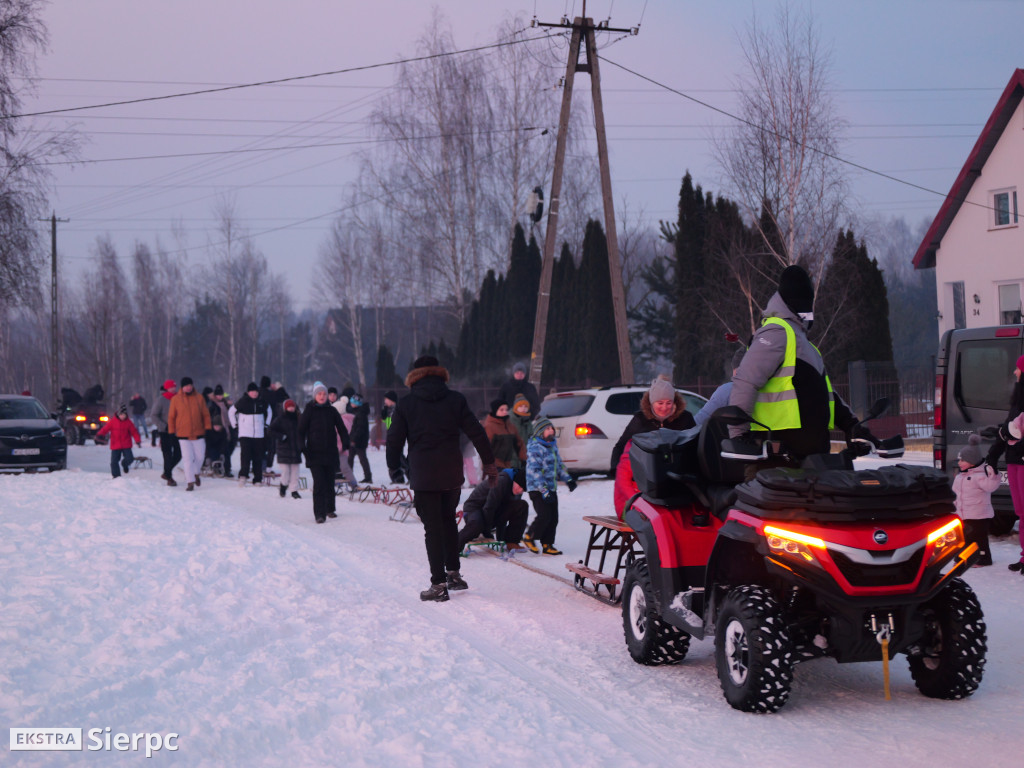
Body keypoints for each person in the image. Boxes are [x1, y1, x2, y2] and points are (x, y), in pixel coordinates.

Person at [386, 355, 496, 602]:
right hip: (451, 472)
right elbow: (477, 432)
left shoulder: (407, 404)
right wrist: (489, 463)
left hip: (424, 474)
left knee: (432, 528)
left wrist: (394, 469)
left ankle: (438, 585)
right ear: (439, 373)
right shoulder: (455, 400)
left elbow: (394, 440)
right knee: (447, 521)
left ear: (415, 376)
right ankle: (453, 574)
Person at [729, 264, 859, 461]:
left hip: (811, 461)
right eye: (802, 302)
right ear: (789, 302)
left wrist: (853, 426)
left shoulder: (807, 345)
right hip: (777, 462)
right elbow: (746, 380)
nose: (807, 308)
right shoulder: (776, 332)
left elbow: (827, 395)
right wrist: (738, 435)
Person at [610, 376, 696, 473]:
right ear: (651, 403)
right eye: (660, 403)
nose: (664, 407)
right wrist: (615, 468)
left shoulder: (685, 418)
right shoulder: (640, 419)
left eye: (669, 403)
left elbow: (695, 446)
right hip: (648, 474)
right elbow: (621, 446)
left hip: (679, 473)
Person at [986, 354, 1024, 572]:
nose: (1014, 372)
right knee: (1020, 512)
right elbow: (1007, 430)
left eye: (1018, 368)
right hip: (1014, 462)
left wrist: (1013, 436)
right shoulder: (1017, 401)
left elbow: (1013, 432)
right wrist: (993, 455)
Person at [522, 416, 576, 555]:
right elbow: (535, 471)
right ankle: (530, 536)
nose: (551, 430)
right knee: (544, 515)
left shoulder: (552, 446)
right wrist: (544, 491)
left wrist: (568, 479)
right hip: (537, 488)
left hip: (550, 488)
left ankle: (547, 544)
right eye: (547, 429)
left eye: (551, 428)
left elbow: (558, 466)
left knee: (554, 517)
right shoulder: (535, 448)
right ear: (540, 431)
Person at [299, 381, 350, 523]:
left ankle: (330, 509)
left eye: (324, 394)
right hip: (314, 454)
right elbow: (300, 431)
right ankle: (319, 514)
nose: (322, 396)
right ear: (315, 395)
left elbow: (341, 428)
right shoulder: (309, 410)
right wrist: (302, 447)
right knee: (319, 483)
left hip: (330, 453)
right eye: (319, 394)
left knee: (329, 482)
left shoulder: (332, 411)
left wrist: (346, 442)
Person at [953, 434, 1000, 567]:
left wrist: (993, 475)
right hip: (963, 514)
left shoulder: (980, 476)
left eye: (962, 460)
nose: (959, 463)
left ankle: (984, 559)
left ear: (972, 461)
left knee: (979, 538)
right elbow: (956, 494)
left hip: (979, 515)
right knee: (965, 538)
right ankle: (963, 556)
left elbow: (991, 486)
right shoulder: (960, 477)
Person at [458, 467, 529, 553]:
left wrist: (501, 539)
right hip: (474, 508)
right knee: (476, 525)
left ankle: (512, 542)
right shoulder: (501, 481)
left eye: (523, 490)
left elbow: (504, 511)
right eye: (520, 486)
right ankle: (454, 545)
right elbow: (490, 506)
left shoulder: (516, 490)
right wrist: (486, 530)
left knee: (521, 505)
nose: (520, 490)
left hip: (491, 512)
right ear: (515, 480)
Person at [168, 376, 211, 491]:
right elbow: (171, 417)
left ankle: (196, 473)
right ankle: (190, 482)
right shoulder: (176, 399)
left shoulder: (199, 398)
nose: (188, 387)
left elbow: (205, 414)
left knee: (200, 457)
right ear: (182, 387)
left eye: (190, 385)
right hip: (183, 435)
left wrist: (208, 427)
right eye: (186, 386)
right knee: (187, 458)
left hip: (199, 433)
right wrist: (171, 432)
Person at [694, 347, 747, 427]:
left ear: (735, 369)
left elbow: (699, 421)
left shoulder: (727, 391)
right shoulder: (769, 390)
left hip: (737, 437)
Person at [230, 382, 270, 486]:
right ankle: (243, 476)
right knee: (245, 456)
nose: (254, 393)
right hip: (245, 434)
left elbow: (270, 411)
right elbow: (231, 412)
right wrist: (235, 426)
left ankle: (257, 479)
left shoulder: (262, 401)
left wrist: (266, 425)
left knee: (258, 457)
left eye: (256, 391)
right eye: (252, 391)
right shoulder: (242, 401)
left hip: (259, 434)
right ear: (248, 392)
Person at [96, 403, 142, 478]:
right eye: (121, 415)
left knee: (130, 458)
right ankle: (116, 476)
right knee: (114, 462)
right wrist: (100, 434)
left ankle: (124, 464)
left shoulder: (128, 422)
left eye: (124, 415)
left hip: (126, 444)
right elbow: (105, 429)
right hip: (115, 444)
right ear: (118, 414)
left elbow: (134, 432)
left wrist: (138, 440)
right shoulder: (113, 421)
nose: (123, 416)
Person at [269, 398, 303, 499]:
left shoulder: (298, 418)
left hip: (296, 449)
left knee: (295, 472)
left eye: (292, 406)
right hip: (283, 450)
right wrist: (281, 436)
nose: (291, 408)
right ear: (285, 408)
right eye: (289, 407)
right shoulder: (279, 419)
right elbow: (270, 431)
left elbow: (304, 430)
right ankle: (283, 485)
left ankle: (294, 490)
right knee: (286, 472)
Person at [151, 379, 181, 486]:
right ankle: (170, 478)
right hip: (165, 431)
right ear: (167, 388)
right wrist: (164, 426)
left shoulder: (179, 398)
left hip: (178, 431)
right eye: (171, 387)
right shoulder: (161, 400)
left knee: (178, 454)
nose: (173, 389)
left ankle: (166, 472)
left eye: (174, 386)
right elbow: (154, 416)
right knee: (167, 454)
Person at [483, 398, 525, 470]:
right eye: (502, 410)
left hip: (508, 465)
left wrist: (524, 459)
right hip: (495, 465)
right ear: (495, 411)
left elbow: (519, 444)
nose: (505, 412)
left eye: (506, 409)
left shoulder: (510, 426)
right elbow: (484, 449)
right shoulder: (489, 426)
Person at [208, 384, 234, 477]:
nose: (220, 396)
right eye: (218, 395)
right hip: (215, 429)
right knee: (215, 449)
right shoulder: (212, 404)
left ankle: (227, 469)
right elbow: (209, 416)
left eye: (221, 395)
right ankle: (216, 466)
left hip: (225, 429)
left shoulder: (225, 403)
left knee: (226, 449)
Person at [347, 392, 372, 483]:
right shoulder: (359, 412)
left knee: (362, 459)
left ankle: (368, 477)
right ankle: (349, 476)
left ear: (357, 403)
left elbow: (360, 429)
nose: (351, 403)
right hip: (357, 440)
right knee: (350, 458)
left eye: (353, 402)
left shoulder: (361, 414)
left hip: (359, 441)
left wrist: (354, 439)